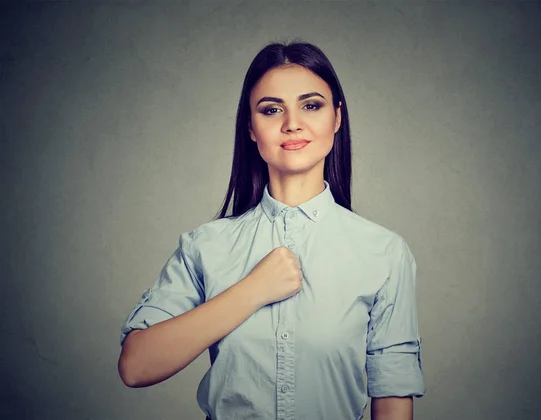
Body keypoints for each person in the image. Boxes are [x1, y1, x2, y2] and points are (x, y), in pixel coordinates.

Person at [118, 40, 425, 420]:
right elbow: (135, 366)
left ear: (337, 118)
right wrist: (252, 291)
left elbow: (393, 396)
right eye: (271, 109)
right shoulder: (205, 247)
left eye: (311, 105)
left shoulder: (384, 252)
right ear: (251, 127)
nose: (292, 122)